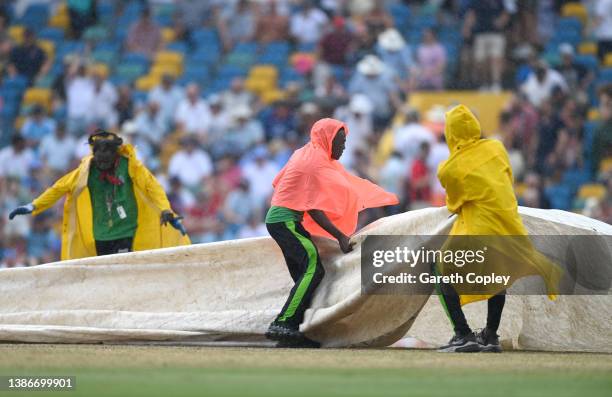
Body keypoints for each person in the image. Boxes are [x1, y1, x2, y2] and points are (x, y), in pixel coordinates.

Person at [435, 105, 562, 353]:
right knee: (497, 272)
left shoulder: (449, 169)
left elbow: (455, 204)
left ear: (450, 133)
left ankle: (463, 335)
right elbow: (505, 181)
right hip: (508, 226)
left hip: (478, 229)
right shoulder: (497, 148)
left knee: (441, 268)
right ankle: (491, 335)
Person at [265, 118, 398, 347]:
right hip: (285, 221)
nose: (344, 147)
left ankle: (294, 332)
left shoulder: (306, 153)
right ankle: (284, 324)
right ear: (328, 139)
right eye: (341, 141)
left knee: (305, 276)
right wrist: (340, 236)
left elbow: (280, 183)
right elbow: (315, 208)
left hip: (282, 219)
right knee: (313, 268)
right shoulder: (315, 162)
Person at [9, 130, 189, 259]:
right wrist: (33, 206)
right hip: (100, 234)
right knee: (107, 275)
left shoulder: (130, 166)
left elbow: (153, 187)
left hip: (126, 230)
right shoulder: (86, 170)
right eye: (99, 160)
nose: (102, 165)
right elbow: (59, 187)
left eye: (106, 161)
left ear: (115, 155)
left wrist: (165, 209)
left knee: (122, 270)